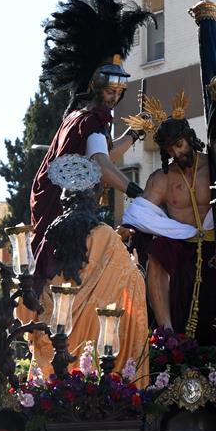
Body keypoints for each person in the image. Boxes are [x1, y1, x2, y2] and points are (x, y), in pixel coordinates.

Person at [30, 0, 154, 291]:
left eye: (118, 92)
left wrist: (133, 134)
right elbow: (100, 163)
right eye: (110, 91)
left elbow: (101, 158)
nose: (114, 98)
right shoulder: (93, 119)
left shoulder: (79, 118)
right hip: (69, 209)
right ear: (95, 88)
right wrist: (138, 192)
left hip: (58, 204)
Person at [21, 155, 149, 385]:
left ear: (65, 202)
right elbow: (130, 281)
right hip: (98, 333)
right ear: (93, 200)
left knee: (54, 392)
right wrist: (136, 268)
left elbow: (33, 284)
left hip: (55, 331)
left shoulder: (51, 235)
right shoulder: (106, 236)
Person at [122, 95, 216, 347]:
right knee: (157, 251)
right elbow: (140, 213)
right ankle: (166, 333)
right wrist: (126, 229)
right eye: (170, 150)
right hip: (182, 245)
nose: (177, 153)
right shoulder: (162, 179)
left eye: (179, 145)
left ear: (190, 138)